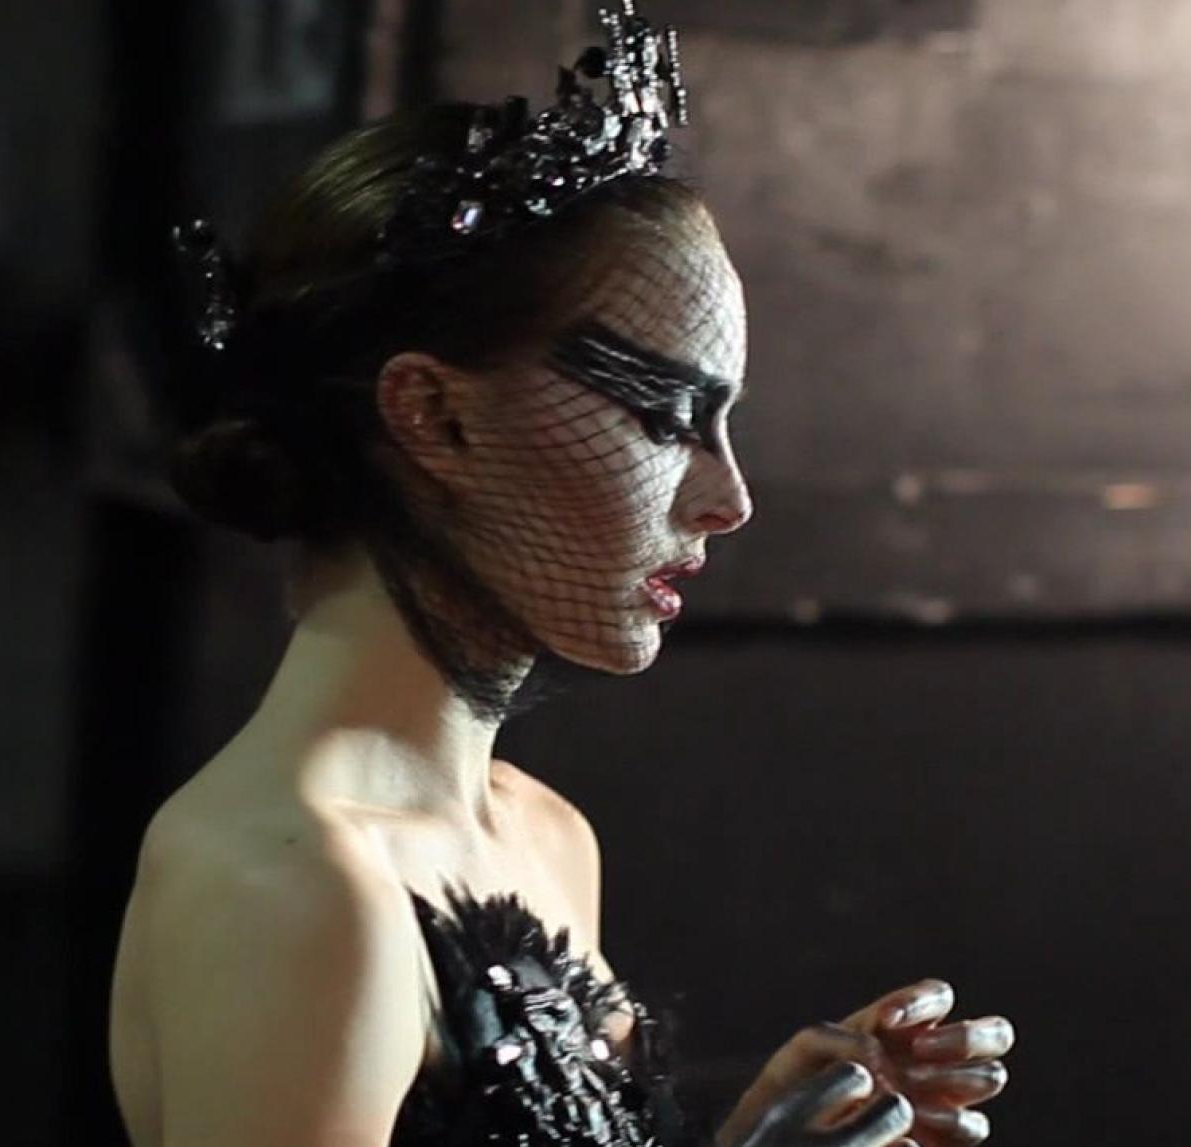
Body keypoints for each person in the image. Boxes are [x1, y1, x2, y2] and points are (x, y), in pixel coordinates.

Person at [108, 5, 1013, 1145]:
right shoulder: (291, 887)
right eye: (664, 416)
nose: (728, 498)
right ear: (435, 416)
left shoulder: (542, 836)